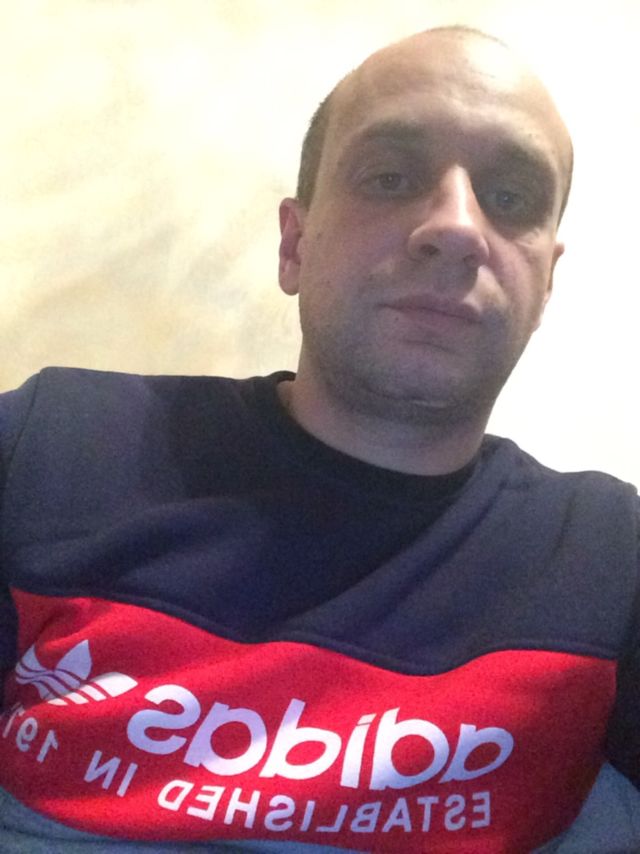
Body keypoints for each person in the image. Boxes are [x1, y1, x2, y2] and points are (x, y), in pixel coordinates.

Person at [0, 23, 638, 853]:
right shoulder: (57, 443)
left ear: (546, 281)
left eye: (511, 198)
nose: (456, 226)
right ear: (295, 244)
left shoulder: (608, 557)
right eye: (390, 177)